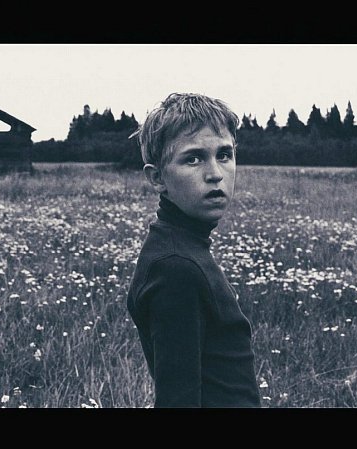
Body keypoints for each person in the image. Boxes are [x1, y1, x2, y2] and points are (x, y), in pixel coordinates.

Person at [126, 93, 260, 407]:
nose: (215, 174)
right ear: (157, 177)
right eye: (193, 159)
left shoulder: (183, 246)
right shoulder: (175, 266)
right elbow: (177, 400)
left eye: (224, 154)